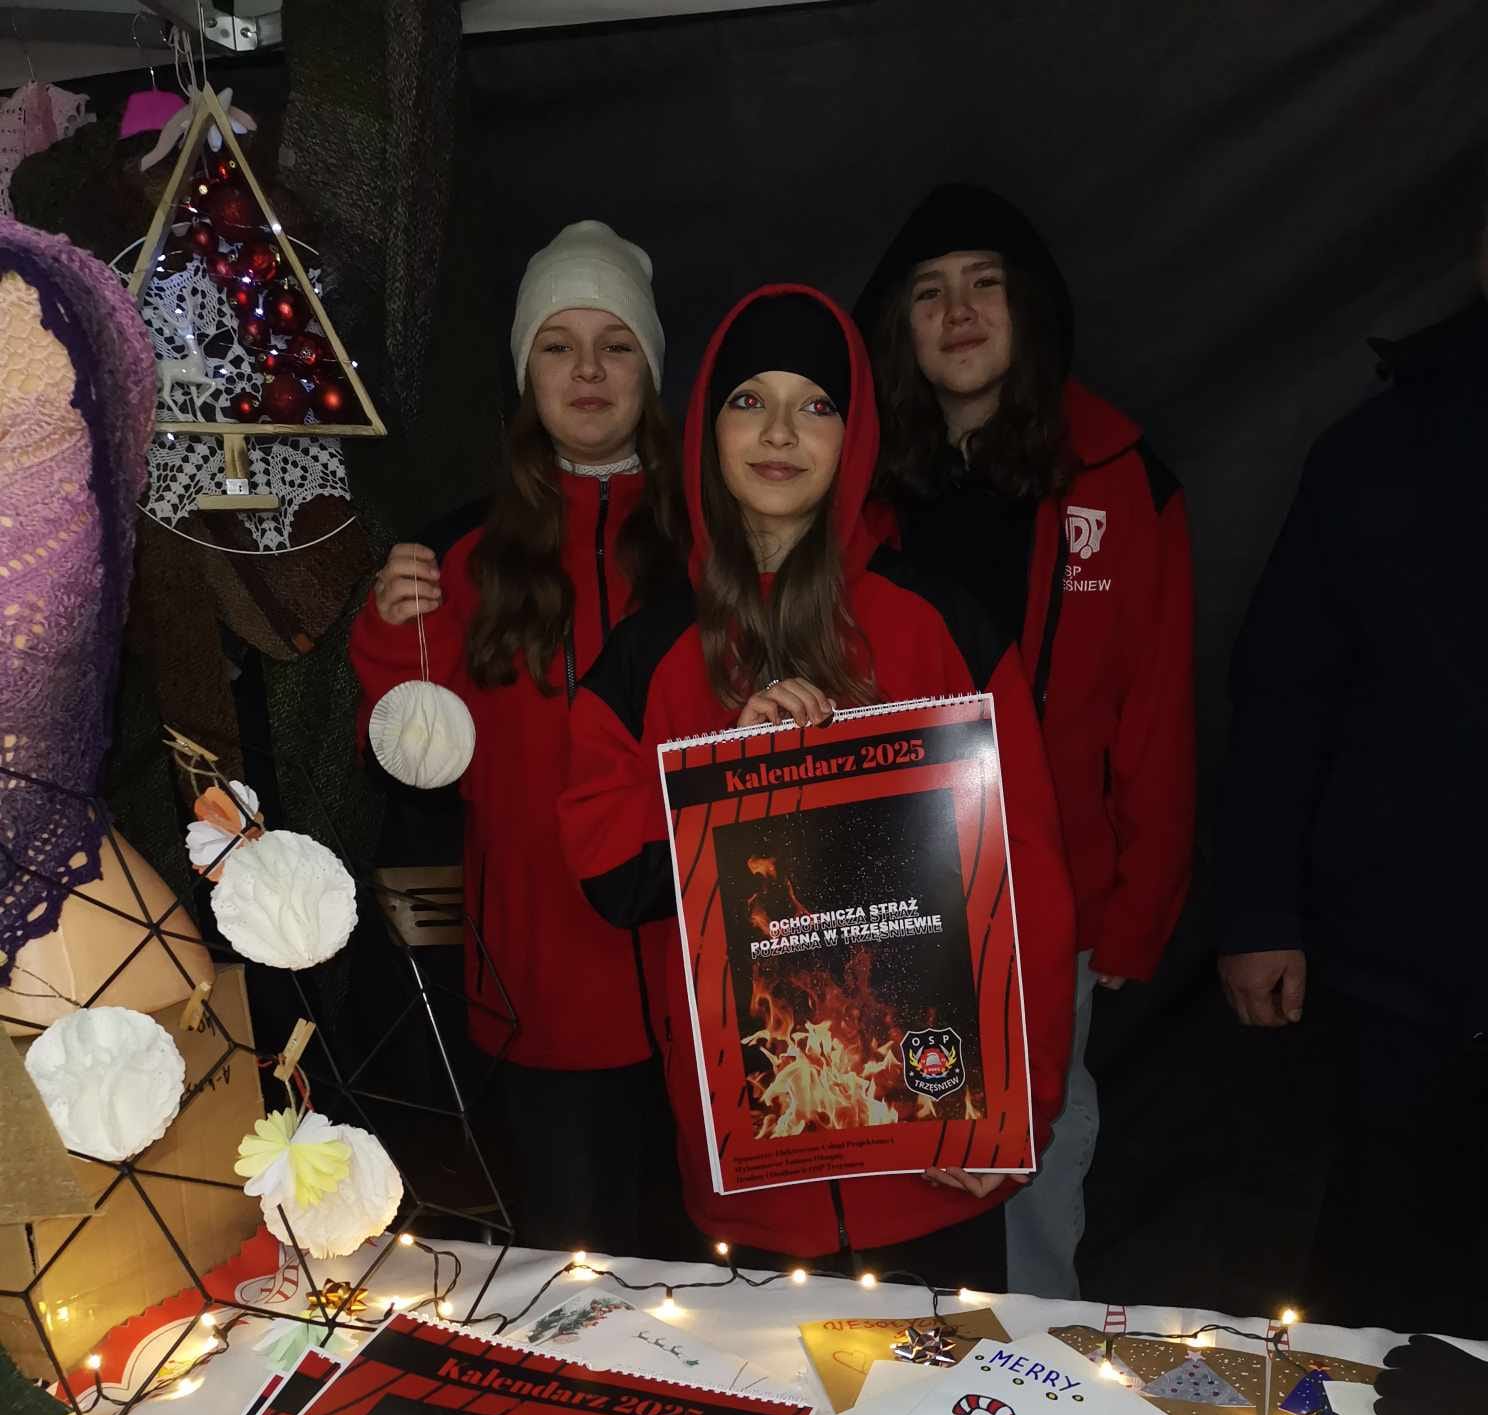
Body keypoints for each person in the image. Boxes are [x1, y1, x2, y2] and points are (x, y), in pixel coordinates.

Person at [559, 284, 1075, 1285]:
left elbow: (1033, 888)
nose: (780, 432)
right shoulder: (648, 654)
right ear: (706, 428)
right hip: (751, 1178)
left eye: (816, 405)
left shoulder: (942, 624)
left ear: (857, 430)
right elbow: (611, 879)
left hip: (935, 1164)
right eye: (750, 400)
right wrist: (723, 784)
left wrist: (1022, 1109)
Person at [855, 184, 1195, 1299]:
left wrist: (1139, 907)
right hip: (888, 888)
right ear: (899, 328)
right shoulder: (860, 485)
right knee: (889, 1133)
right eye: (929, 293)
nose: (958, 312)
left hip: (1057, 891)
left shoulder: (1120, 477)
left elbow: (1155, 709)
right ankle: (902, 1355)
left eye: (984, 284)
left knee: (1039, 1147)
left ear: (1030, 308)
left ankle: (1034, 1358)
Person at [349, 220, 689, 1254]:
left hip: (698, 977)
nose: (587, 370)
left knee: (707, 1276)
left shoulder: (710, 536)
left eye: (616, 344)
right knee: (572, 1270)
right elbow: (418, 758)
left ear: (650, 369)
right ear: (524, 372)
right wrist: (389, 638)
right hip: (540, 982)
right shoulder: (460, 552)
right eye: (557, 345)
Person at [1216, 280, 1488, 1342]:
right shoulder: (1377, 448)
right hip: (1399, 968)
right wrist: (1256, 909)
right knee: (1378, 1299)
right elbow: (1285, 692)